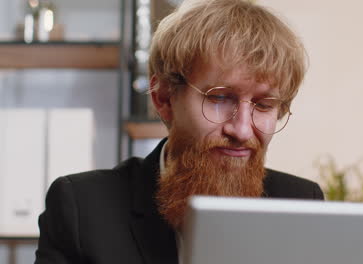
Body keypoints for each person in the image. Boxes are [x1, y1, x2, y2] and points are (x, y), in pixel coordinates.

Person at [34, 0, 324, 263]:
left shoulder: (301, 203)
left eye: (263, 105)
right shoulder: (82, 209)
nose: (242, 129)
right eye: (219, 98)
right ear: (163, 98)